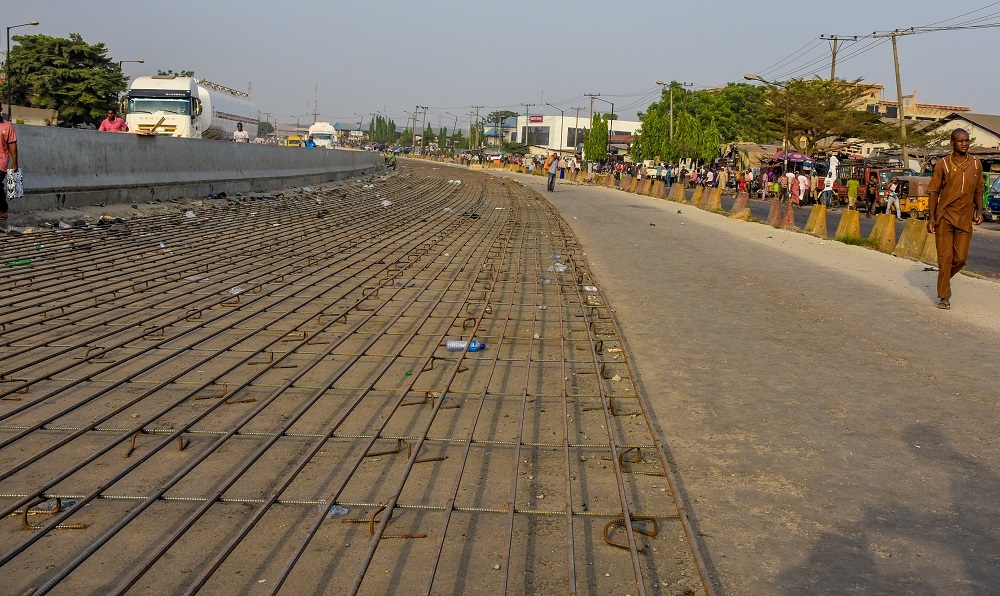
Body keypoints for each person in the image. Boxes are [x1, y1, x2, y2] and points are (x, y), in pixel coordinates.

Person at [927, 128, 984, 309]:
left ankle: (943, 280)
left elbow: (979, 189)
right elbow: (933, 192)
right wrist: (931, 217)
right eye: (960, 141)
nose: (964, 143)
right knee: (945, 258)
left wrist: (980, 211)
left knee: (960, 259)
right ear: (952, 143)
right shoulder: (942, 164)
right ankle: (944, 296)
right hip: (944, 217)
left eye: (967, 140)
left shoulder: (976, 164)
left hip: (965, 217)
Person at [0, 113, 19, 222]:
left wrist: (15, 162)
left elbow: (12, 146)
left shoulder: (7, 127)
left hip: (1, 161)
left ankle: (2, 209)